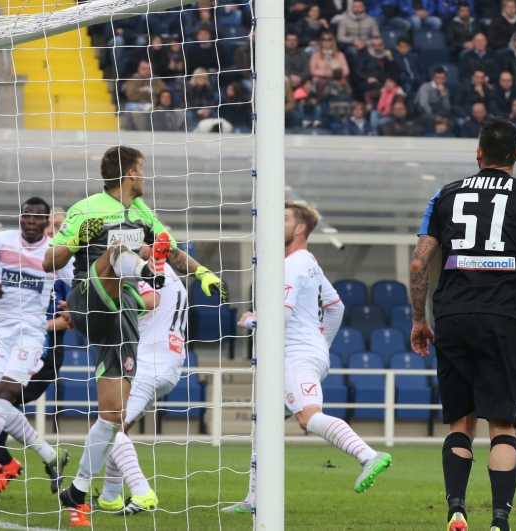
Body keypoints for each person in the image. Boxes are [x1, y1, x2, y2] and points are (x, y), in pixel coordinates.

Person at [45, 146, 223, 525]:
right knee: (116, 252)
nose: (145, 176)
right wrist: (78, 240)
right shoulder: (86, 208)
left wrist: (203, 272)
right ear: (129, 173)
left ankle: (78, 490)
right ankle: (144, 268)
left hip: (122, 315)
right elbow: (50, 261)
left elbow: (173, 251)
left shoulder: (143, 214)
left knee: (112, 417)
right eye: (142, 169)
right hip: (90, 293)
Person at [410, 116, 516, 531]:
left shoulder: (444, 194)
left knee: (462, 423)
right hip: (501, 320)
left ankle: (457, 509)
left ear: (478, 153)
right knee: (503, 428)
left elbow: (419, 261)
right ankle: (498, 521)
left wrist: (419, 321)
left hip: (453, 318)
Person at [223, 201, 391, 514]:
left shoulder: (292, 265)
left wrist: (249, 320)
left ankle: (369, 456)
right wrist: (322, 345)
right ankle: (254, 500)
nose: (277, 222)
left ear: (300, 228)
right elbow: (336, 306)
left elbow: (280, 318)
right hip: (304, 351)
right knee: (264, 426)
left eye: (284, 218)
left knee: (307, 417)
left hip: (294, 355)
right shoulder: (308, 261)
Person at [0, 197, 67, 501]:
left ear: (46, 223)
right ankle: (49, 456)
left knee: (3, 397)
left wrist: (72, 308)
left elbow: (79, 287)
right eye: (26, 216)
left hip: (33, 337)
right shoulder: (1, 241)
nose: (31, 222)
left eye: (39, 218)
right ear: (20, 218)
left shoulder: (58, 255)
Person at [92, 261, 187, 515]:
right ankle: (110, 497)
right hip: (170, 362)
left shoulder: (145, 266)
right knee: (118, 428)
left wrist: (101, 306)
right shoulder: (172, 275)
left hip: (147, 361)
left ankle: (143, 492)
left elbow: (150, 299)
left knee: (109, 427)